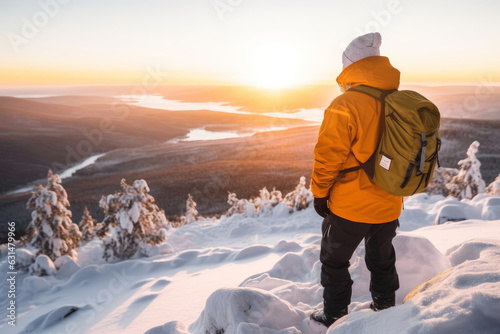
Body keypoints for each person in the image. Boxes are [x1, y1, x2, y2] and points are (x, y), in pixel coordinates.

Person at [310, 32, 402, 327]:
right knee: (382, 259)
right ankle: (387, 308)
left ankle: (335, 317)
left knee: (335, 261)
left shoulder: (345, 104)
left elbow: (328, 156)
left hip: (351, 206)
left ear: (350, 66)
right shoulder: (400, 100)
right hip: (389, 203)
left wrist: (320, 193)